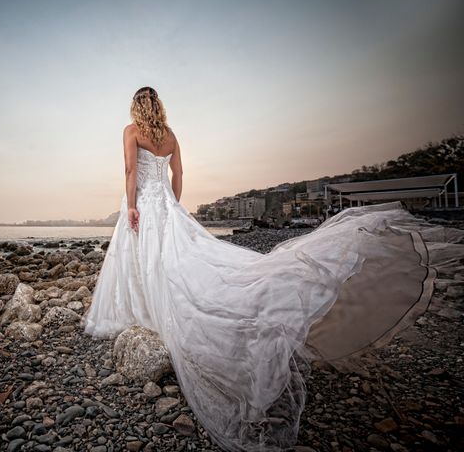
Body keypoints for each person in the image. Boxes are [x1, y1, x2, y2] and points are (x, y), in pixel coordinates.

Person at [82, 86, 464, 451]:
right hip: (166, 205)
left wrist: (131, 206)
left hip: (144, 204)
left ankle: (143, 312)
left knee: (148, 260)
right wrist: (174, 206)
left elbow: (131, 172)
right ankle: (159, 310)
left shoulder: (131, 130)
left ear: (136, 107)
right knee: (180, 260)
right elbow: (178, 176)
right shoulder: (170, 135)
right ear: (159, 106)